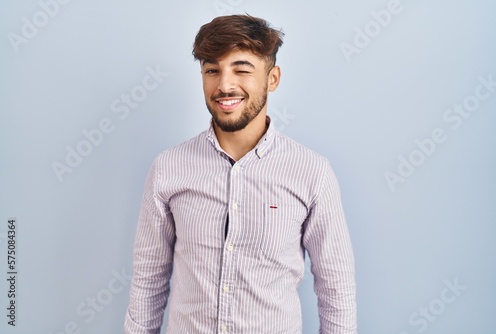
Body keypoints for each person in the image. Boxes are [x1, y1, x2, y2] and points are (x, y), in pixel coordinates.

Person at [124, 14, 356, 334]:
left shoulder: (312, 173)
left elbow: (336, 287)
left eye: (241, 69)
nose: (224, 85)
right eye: (211, 70)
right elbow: (148, 280)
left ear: (272, 78)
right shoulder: (168, 168)